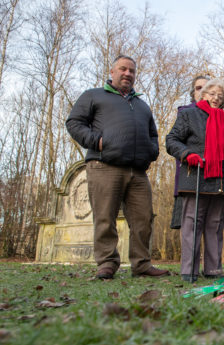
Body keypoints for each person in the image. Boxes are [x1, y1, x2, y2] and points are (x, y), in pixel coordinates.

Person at [65, 55, 170, 279]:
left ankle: (141, 264)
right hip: (104, 165)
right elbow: (74, 122)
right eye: (123, 69)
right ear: (112, 72)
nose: (127, 74)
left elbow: (153, 134)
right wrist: (97, 142)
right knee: (105, 218)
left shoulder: (141, 105)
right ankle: (107, 263)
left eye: (132, 71)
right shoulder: (94, 95)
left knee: (143, 219)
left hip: (138, 171)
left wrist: (151, 152)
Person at [166, 79, 224, 282]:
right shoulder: (189, 115)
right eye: (212, 93)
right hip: (196, 179)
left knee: (215, 226)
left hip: (221, 183)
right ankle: (189, 270)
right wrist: (186, 154)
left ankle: (213, 269)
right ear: (203, 95)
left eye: (221, 95)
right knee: (192, 225)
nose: (216, 98)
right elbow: (171, 140)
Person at [170, 75, 210, 230]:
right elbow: (173, 141)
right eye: (199, 88)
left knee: (211, 226)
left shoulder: (219, 116)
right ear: (193, 93)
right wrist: (187, 155)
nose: (202, 91)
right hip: (188, 178)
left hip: (212, 182)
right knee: (188, 227)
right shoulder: (185, 113)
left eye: (207, 88)